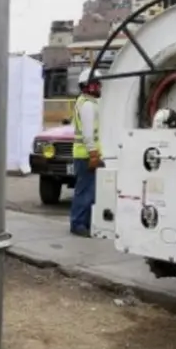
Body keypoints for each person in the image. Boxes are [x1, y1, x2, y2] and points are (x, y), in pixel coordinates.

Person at [70, 68, 103, 237]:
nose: (100, 87)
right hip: (86, 156)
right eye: (97, 84)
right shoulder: (88, 105)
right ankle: (78, 224)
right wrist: (93, 154)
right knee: (85, 192)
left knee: (89, 191)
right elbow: (88, 133)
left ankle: (85, 223)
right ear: (89, 86)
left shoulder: (86, 102)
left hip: (85, 154)